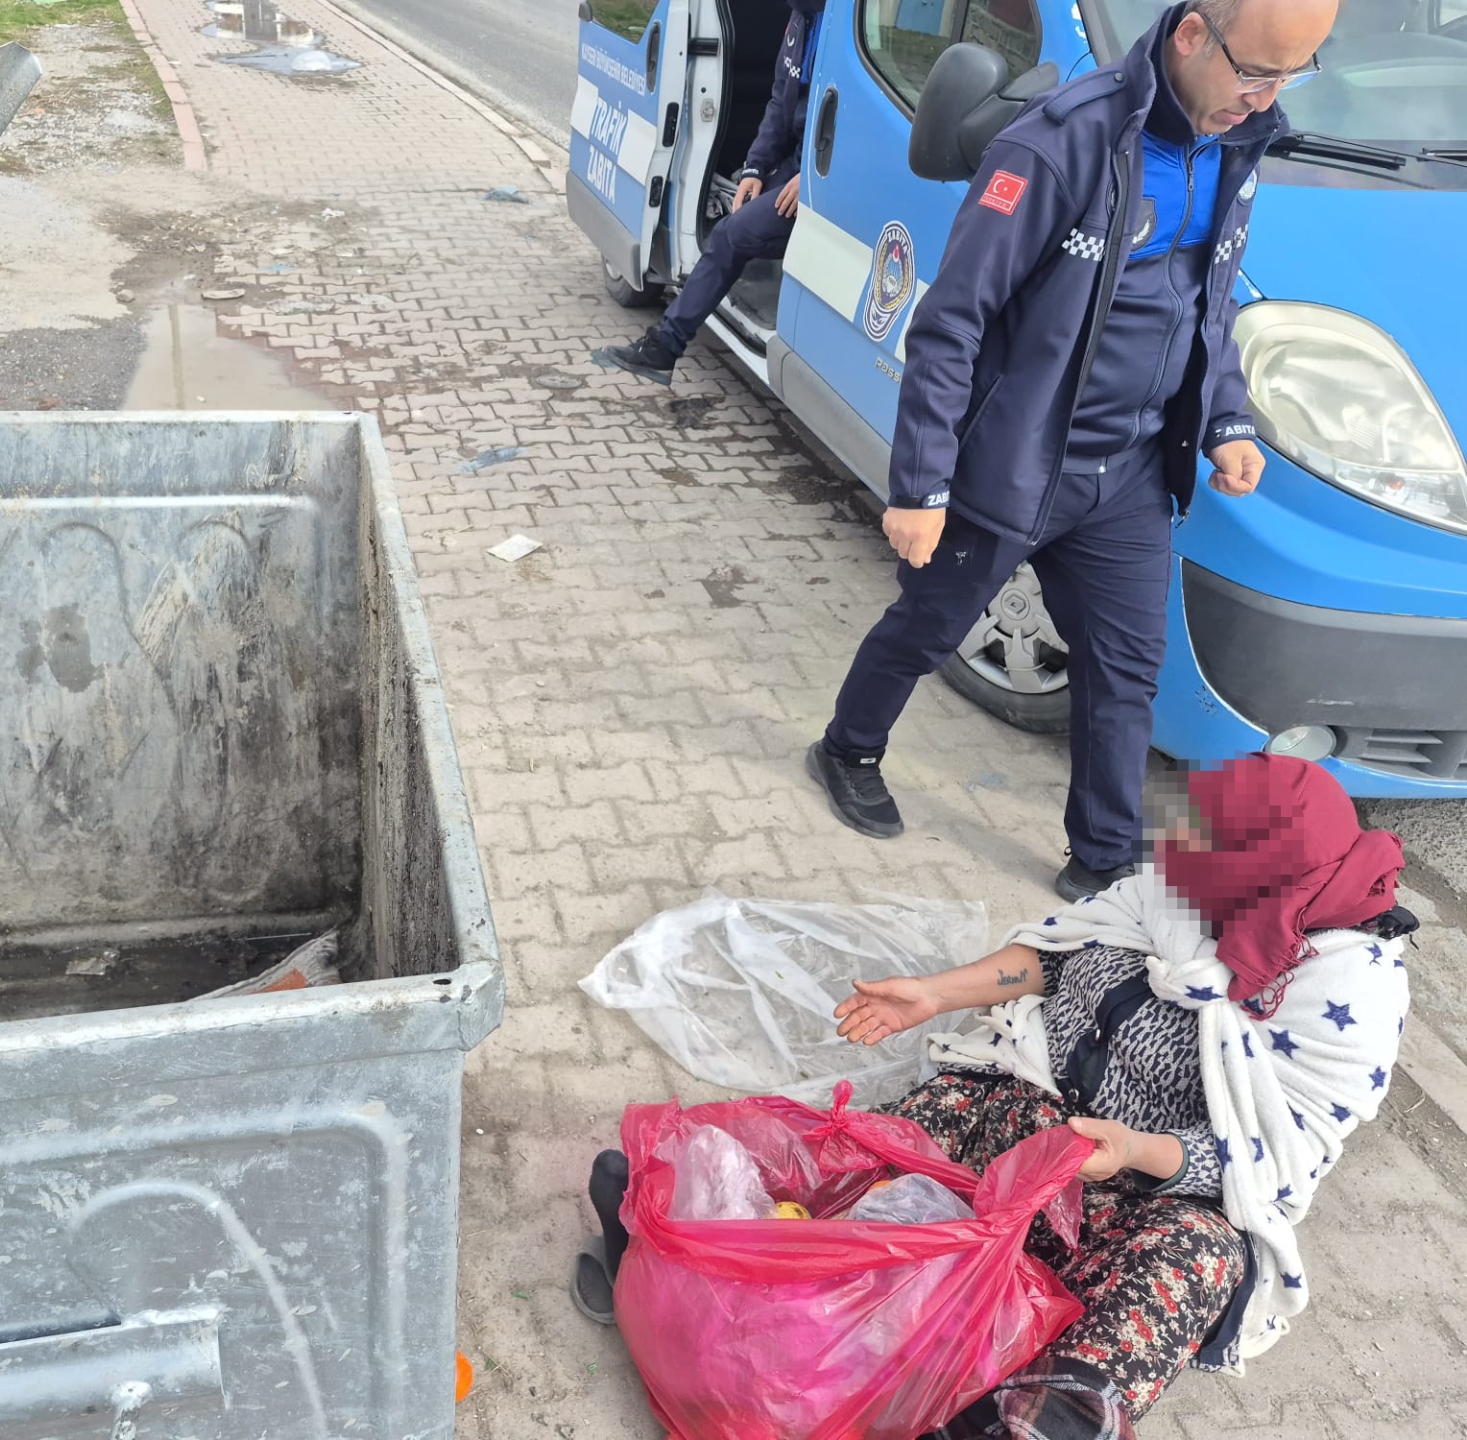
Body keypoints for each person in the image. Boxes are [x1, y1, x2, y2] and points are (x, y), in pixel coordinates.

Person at [574, 754, 1414, 1439]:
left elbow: (1280, 1151)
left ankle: (1010, 1420)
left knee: (1196, 1260)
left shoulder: (1347, 987)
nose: (1179, 863)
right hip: (1021, 1111)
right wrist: (934, 994)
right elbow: (1058, 955)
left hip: (1137, 1188)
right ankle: (694, 1236)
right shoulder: (1183, 884)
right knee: (876, 1154)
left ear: (1267, 878)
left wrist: (1131, 1150)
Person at [805, 0, 1337, 904]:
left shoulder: (1236, 144)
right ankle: (846, 750)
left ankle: (1103, 862)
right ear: (1192, 34)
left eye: (1293, 75)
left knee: (1125, 669)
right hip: (1018, 462)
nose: (1267, 99)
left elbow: (1204, 302)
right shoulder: (1057, 144)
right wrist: (921, 483)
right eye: (1255, 72)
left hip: (1129, 472)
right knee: (929, 625)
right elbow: (951, 321)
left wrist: (1227, 418)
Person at [591, 0, 823, 385]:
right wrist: (755, 167)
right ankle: (665, 345)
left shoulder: (844, 26)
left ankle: (665, 346)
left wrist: (816, 178)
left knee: (730, 235)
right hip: (798, 164)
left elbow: (859, 125)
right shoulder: (800, 18)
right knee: (734, 222)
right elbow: (779, 101)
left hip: (823, 173)